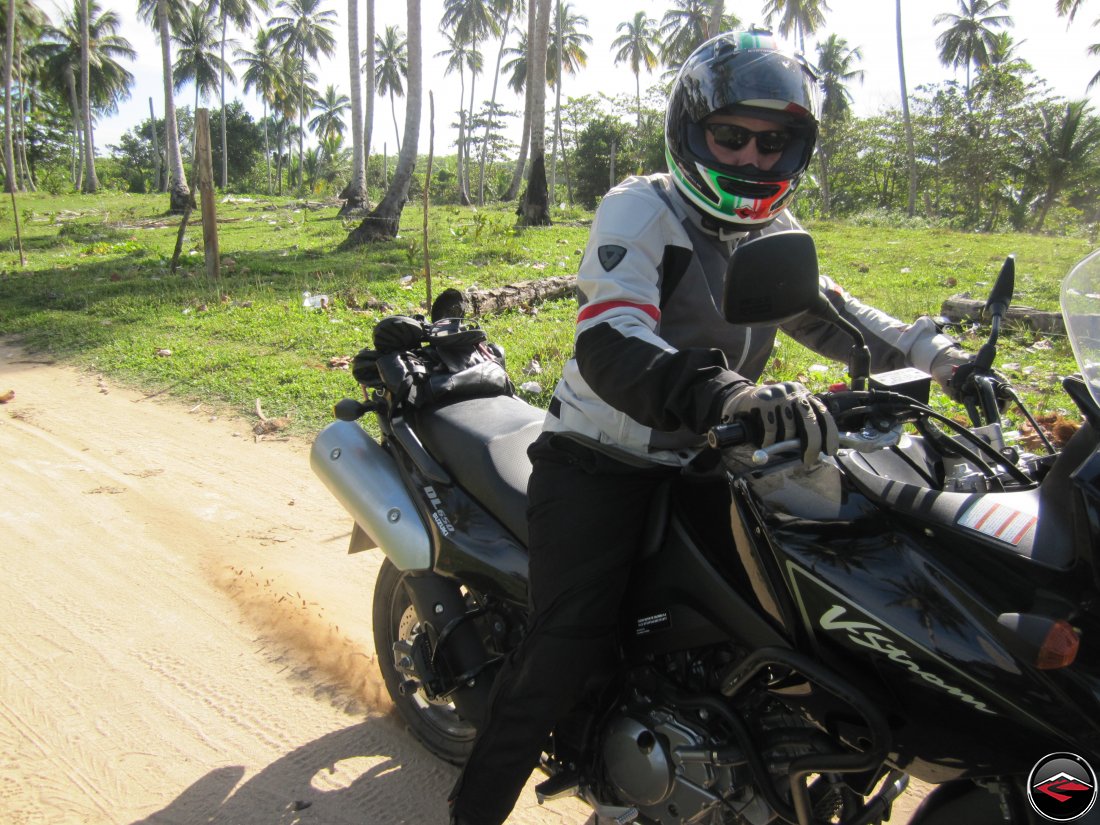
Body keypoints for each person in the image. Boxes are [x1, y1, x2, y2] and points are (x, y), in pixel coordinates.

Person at [448, 30, 970, 825]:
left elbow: (839, 318)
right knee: (567, 644)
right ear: (692, 131)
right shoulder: (642, 207)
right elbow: (612, 337)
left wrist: (950, 364)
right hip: (602, 460)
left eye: (776, 141)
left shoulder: (771, 233)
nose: (754, 159)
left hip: (717, 453)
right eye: (732, 135)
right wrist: (725, 392)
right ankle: (474, 806)